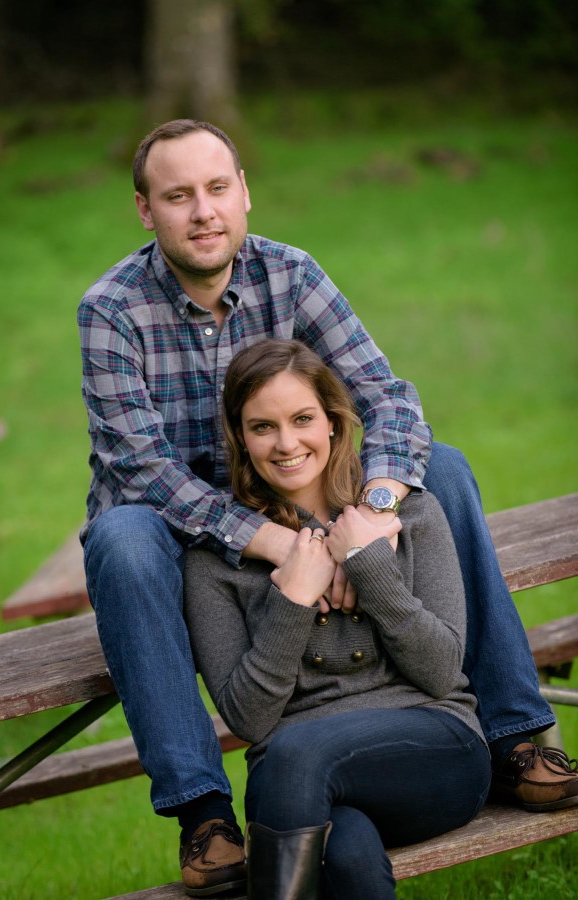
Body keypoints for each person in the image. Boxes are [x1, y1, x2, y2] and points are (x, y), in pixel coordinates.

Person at [77, 118, 577, 895]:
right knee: (122, 538)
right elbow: (141, 468)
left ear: (244, 193)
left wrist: (373, 513)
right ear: (146, 210)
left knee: (437, 470)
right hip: (179, 528)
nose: (202, 211)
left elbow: (384, 397)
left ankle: (512, 732)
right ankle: (203, 811)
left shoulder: (292, 273)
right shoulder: (109, 310)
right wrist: (281, 547)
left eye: (216, 189)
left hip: (311, 496)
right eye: (177, 196)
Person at [184, 337, 494, 898]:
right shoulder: (214, 561)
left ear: (332, 421)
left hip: (435, 751)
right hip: (295, 788)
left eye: (303, 418)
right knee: (345, 854)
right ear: (239, 437)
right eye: (262, 427)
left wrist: (368, 565)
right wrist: (294, 600)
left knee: (296, 754)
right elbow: (249, 720)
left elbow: (444, 670)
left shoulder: (410, 512)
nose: (286, 444)